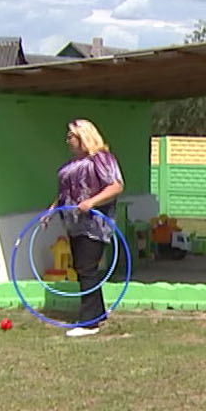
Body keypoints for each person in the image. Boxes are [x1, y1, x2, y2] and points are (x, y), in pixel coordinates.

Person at [49, 119, 125, 338]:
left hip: (94, 224)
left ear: (83, 136)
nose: (67, 140)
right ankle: (97, 315)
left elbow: (116, 185)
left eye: (71, 136)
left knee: (86, 269)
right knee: (83, 269)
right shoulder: (73, 164)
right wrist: (52, 209)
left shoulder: (101, 158)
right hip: (74, 224)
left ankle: (89, 323)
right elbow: (66, 192)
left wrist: (91, 202)